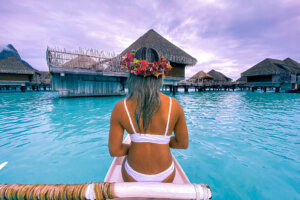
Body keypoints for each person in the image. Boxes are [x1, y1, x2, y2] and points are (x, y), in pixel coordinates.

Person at [108, 47, 188, 183]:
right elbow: (182, 144)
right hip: (165, 176)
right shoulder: (174, 105)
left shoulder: (120, 107)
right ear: (160, 74)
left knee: (124, 164)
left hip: (133, 176)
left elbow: (115, 151)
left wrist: (135, 146)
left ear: (132, 75)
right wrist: (161, 142)